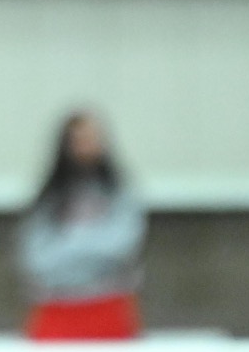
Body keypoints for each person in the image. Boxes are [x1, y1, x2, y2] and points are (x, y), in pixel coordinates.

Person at [15, 111, 146, 341]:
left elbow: (123, 244)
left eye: (92, 138)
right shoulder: (48, 196)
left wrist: (69, 244)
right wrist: (86, 247)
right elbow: (35, 257)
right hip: (56, 309)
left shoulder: (118, 192)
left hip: (108, 306)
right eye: (78, 139)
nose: (85, 146)